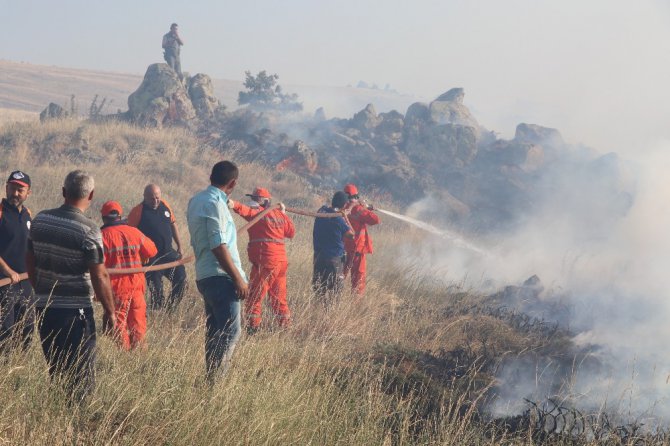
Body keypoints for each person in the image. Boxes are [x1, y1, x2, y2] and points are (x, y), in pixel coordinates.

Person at [26, 170, 116, 402]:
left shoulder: (39, 221)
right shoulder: (89, 230)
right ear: (91, 195)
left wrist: (42, 290)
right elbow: (99, 275)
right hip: (76, 313)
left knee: (57, 372)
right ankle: (76, 426)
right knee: (82, 377)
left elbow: (30, 260)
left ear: (64, 191)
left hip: (45, 309)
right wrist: (110, 311)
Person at [187, 161, 249, 383]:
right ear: (233, 183)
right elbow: (218, 245)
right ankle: (215, 384)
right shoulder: (215, 204)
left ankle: (209, 379)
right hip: (221, 277)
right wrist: (238, 279)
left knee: (214, 332)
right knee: (231, 333)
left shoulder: (196, 201)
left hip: (204, 274)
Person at [228, 187, 295, 333]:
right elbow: (291, 232)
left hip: (266, 262)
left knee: (254, 296)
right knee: (279, 298)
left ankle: (253, 328)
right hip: (281, 263)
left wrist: (233, 204)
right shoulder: (278, 214)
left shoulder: (259, 213)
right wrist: (283, 214)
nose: (253, 201)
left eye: (256, 199)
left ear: (265, 202)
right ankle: (286, 327)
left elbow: (246, 211)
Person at [100, 201, 157, 350]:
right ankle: (139, 358)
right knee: (138, 324)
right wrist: (141, 256)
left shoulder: (102, 236)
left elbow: (97, 266)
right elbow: (152, 251)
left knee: (118, 326)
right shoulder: (134, 232)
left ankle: (124, 357)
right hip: (137, 286)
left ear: (103, 217)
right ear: (120, 215)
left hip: (116, 288)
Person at [128, 184, 186, 312]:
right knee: (157, 292)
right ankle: (157, 314)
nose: (155, 201)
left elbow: (173, 224)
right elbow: (129, 235)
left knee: (181, 280)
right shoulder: (137, 211)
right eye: (151, 199)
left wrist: (180, 246)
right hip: (150, 259)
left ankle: (171, 310)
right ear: (144, 197)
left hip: (169, 254)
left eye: (157, 198)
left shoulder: (165, 205)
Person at [0, 171, 34, 353]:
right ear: (6, 188)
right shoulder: (0, 213)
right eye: (12, 188)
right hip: (5, 283)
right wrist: (7, 271)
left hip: (25, 281)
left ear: (28, 192)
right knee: (6, 329)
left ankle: (22, 366)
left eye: (20, 189)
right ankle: (5, 368)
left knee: (28, 327)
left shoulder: (28, 214)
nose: (15, 193)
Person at [312, 191, 353, 300]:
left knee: (319, 285)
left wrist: (341, 210)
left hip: (319, 256)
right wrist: (345, 217)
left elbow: (327, 207)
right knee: (336, 287)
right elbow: (351, 234)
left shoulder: (321, 211)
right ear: (344, 205)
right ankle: (331, 311)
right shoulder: (339, 220)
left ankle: (319, 306)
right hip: (334, 258)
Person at [343, 183, 380, 294]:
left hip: (344, 250)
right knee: (358, 283)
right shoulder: (359, 209)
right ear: (355, 197)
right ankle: (355, 307)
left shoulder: (341, 208)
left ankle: (333, 301)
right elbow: (375, 220)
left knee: (338, 279)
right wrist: (366, 208)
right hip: (357, 251)